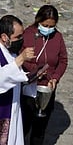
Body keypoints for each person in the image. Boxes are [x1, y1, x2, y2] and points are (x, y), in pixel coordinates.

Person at [20, 5, 67, 145]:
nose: (47, 28)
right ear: (38, 21)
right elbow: (19, 57)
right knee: (23, 126)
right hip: (28, 88)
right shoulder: (28, 34)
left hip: (46, 89)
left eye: (51, 26)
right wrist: (35, 71)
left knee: (39, 130)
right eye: (45, 25)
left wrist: (55, 77)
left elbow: (63, 61)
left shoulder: (57, 37)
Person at [0, 15, 35, 145]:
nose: (21, 40)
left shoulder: (10, 52)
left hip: (13, 109)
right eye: (18, 37)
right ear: (4, 37)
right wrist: (20, 59)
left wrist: (31, 76)